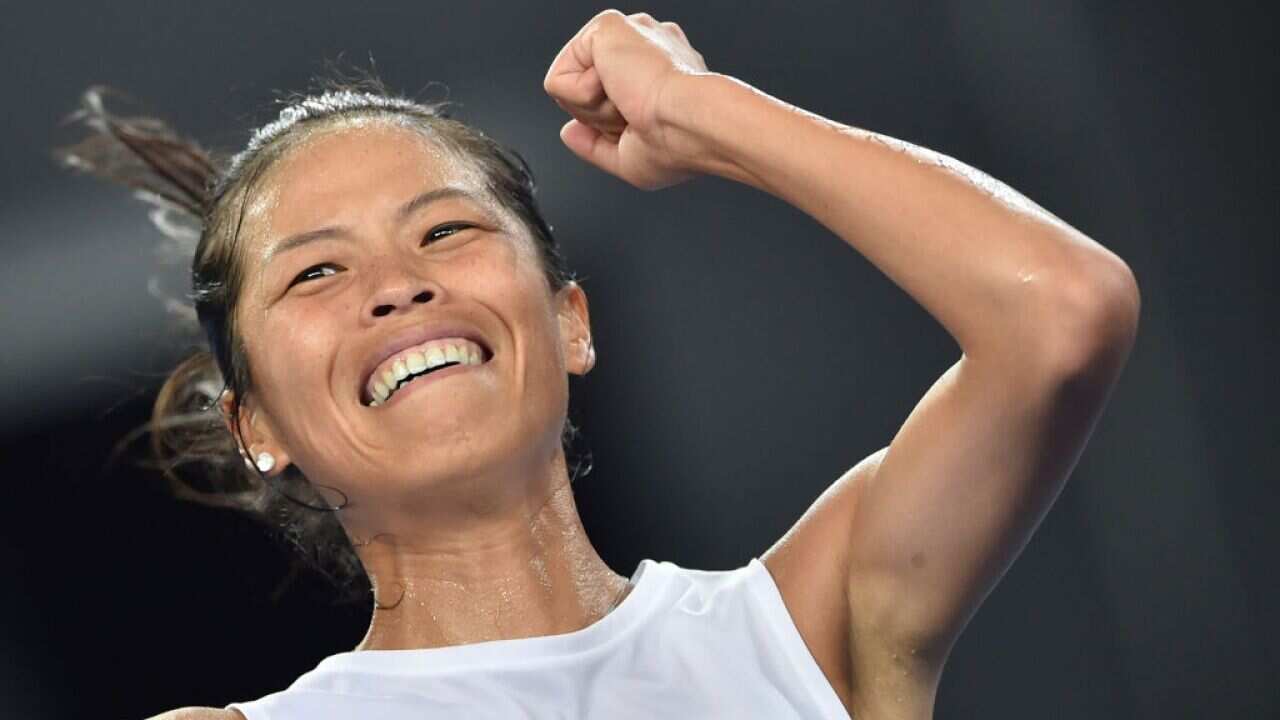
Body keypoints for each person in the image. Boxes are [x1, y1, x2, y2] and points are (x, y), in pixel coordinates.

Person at [60, 10, 1139, 720]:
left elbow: (1060, 313)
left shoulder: (804, 629)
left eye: (444, 233)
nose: (394, 285)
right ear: (261, 429)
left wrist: (704, 114)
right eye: (314, 275)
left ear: (569, 321)